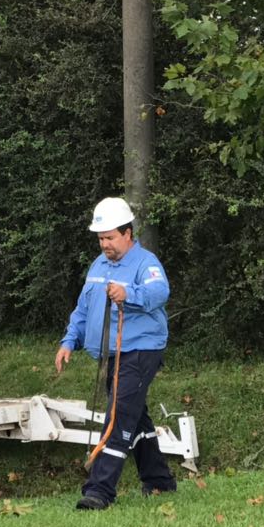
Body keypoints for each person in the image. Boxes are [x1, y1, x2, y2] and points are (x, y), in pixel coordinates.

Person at [55, 197, 177, 511]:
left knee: (118, 417)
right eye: (100, 239)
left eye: (110, 237)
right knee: (135, 417)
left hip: (140, 351)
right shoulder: (98, 266)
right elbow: (83, 308)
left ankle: (99, 491)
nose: (104, 244)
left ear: (127, 233)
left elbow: (159, 292)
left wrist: (129, 294)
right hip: (112, 355)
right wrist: (70, 341)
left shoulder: (145, 263)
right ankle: (159, 481)